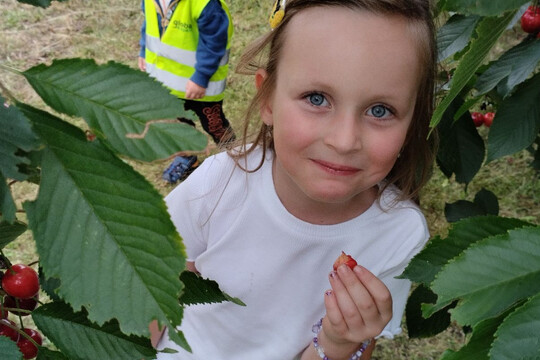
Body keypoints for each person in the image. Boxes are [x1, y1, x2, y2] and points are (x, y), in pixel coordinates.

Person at [153, 0, 438, 358]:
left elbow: (350, 347)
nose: (344, 140)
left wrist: (339, 341)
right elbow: (154, 284)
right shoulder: (220, 182)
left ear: (413, 121)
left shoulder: (397, 235)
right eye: (317, 98)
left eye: (380, 110)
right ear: (268, 98)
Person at [139, 0, 235, 183]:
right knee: (178, 126)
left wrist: (201, 76)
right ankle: (188, 158)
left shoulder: (205, 5)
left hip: (202, 87)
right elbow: (149, 25)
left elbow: (215, 42)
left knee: (214, 125)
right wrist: (144, 50)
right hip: (168, 83)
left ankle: (237, 158)